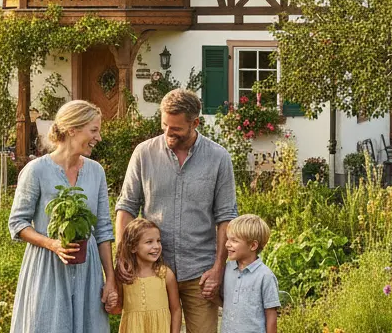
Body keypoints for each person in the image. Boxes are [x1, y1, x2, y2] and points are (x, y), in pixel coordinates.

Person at [116, 89, 238, 333]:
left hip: (199, 273)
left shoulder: (218, 158)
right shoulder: (144, 153)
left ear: (195, 123)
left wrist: (218, 269)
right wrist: (122, 256)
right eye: (164, 126)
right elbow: (127, 206)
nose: (168, 134)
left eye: (176, 129)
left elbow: (226, 217)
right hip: (152, 271)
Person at [8, 100, 118, 333]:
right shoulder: (36, 171)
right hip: (48, 268)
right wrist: (53, 244)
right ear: (72, 130)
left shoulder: (96, 172)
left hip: (88, 271)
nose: (98, 137)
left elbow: (103, 229)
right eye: (94, 130)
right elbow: (17, 223)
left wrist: (110, 279)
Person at [111, 218, 181, 333]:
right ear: (133, 247)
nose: (156, 246)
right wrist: (112, 302)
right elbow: (116, 310)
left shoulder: (165, 274)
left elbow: (176, 309)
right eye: (149, 242)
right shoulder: (124, 276)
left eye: (158, 241)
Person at [220, 214, 280, 333]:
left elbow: (271, 315)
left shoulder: (265, 276)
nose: (227, 244)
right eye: (228, 239)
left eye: (234, 240)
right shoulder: (227, 269)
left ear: (253, 245)